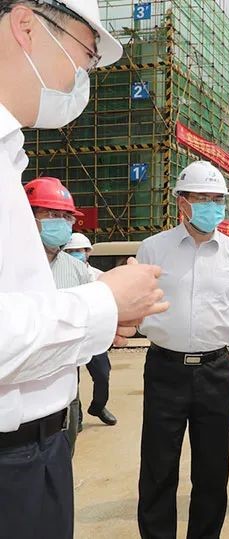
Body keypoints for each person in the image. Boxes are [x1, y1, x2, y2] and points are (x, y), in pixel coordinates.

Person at [0, 2, 167, 537]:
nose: (86, 75)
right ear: (26, 25)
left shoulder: (10, 160)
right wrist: (103, 304)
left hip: (37, 450)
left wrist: (98, 316)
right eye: (87, 53)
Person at [136, 160, 229, 538]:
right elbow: (142, 304)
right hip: (165, 369)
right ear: (182, 201)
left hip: (215, 370)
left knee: (212, 470)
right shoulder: (154, 249)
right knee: (158, 467)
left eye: (217, 199)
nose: (211, 206)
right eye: (202, 198)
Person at [26, 177, 91, 455]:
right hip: (19, 384)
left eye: (67, 216)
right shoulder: (11, 266)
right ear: (28, 217)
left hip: (65, 379)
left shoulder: (76, 270)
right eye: (52, 215)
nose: (62, 223)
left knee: (62, 455)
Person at [64, 232, 116, 427]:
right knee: (72, 379)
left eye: (80, 250)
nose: (76, 254)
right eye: (71, 251)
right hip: (70, 335)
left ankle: (98, 406)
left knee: (102, 374)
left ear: (88, 252)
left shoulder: (99, 277)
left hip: (94, 334)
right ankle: (75, 417)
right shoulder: (59, 275)